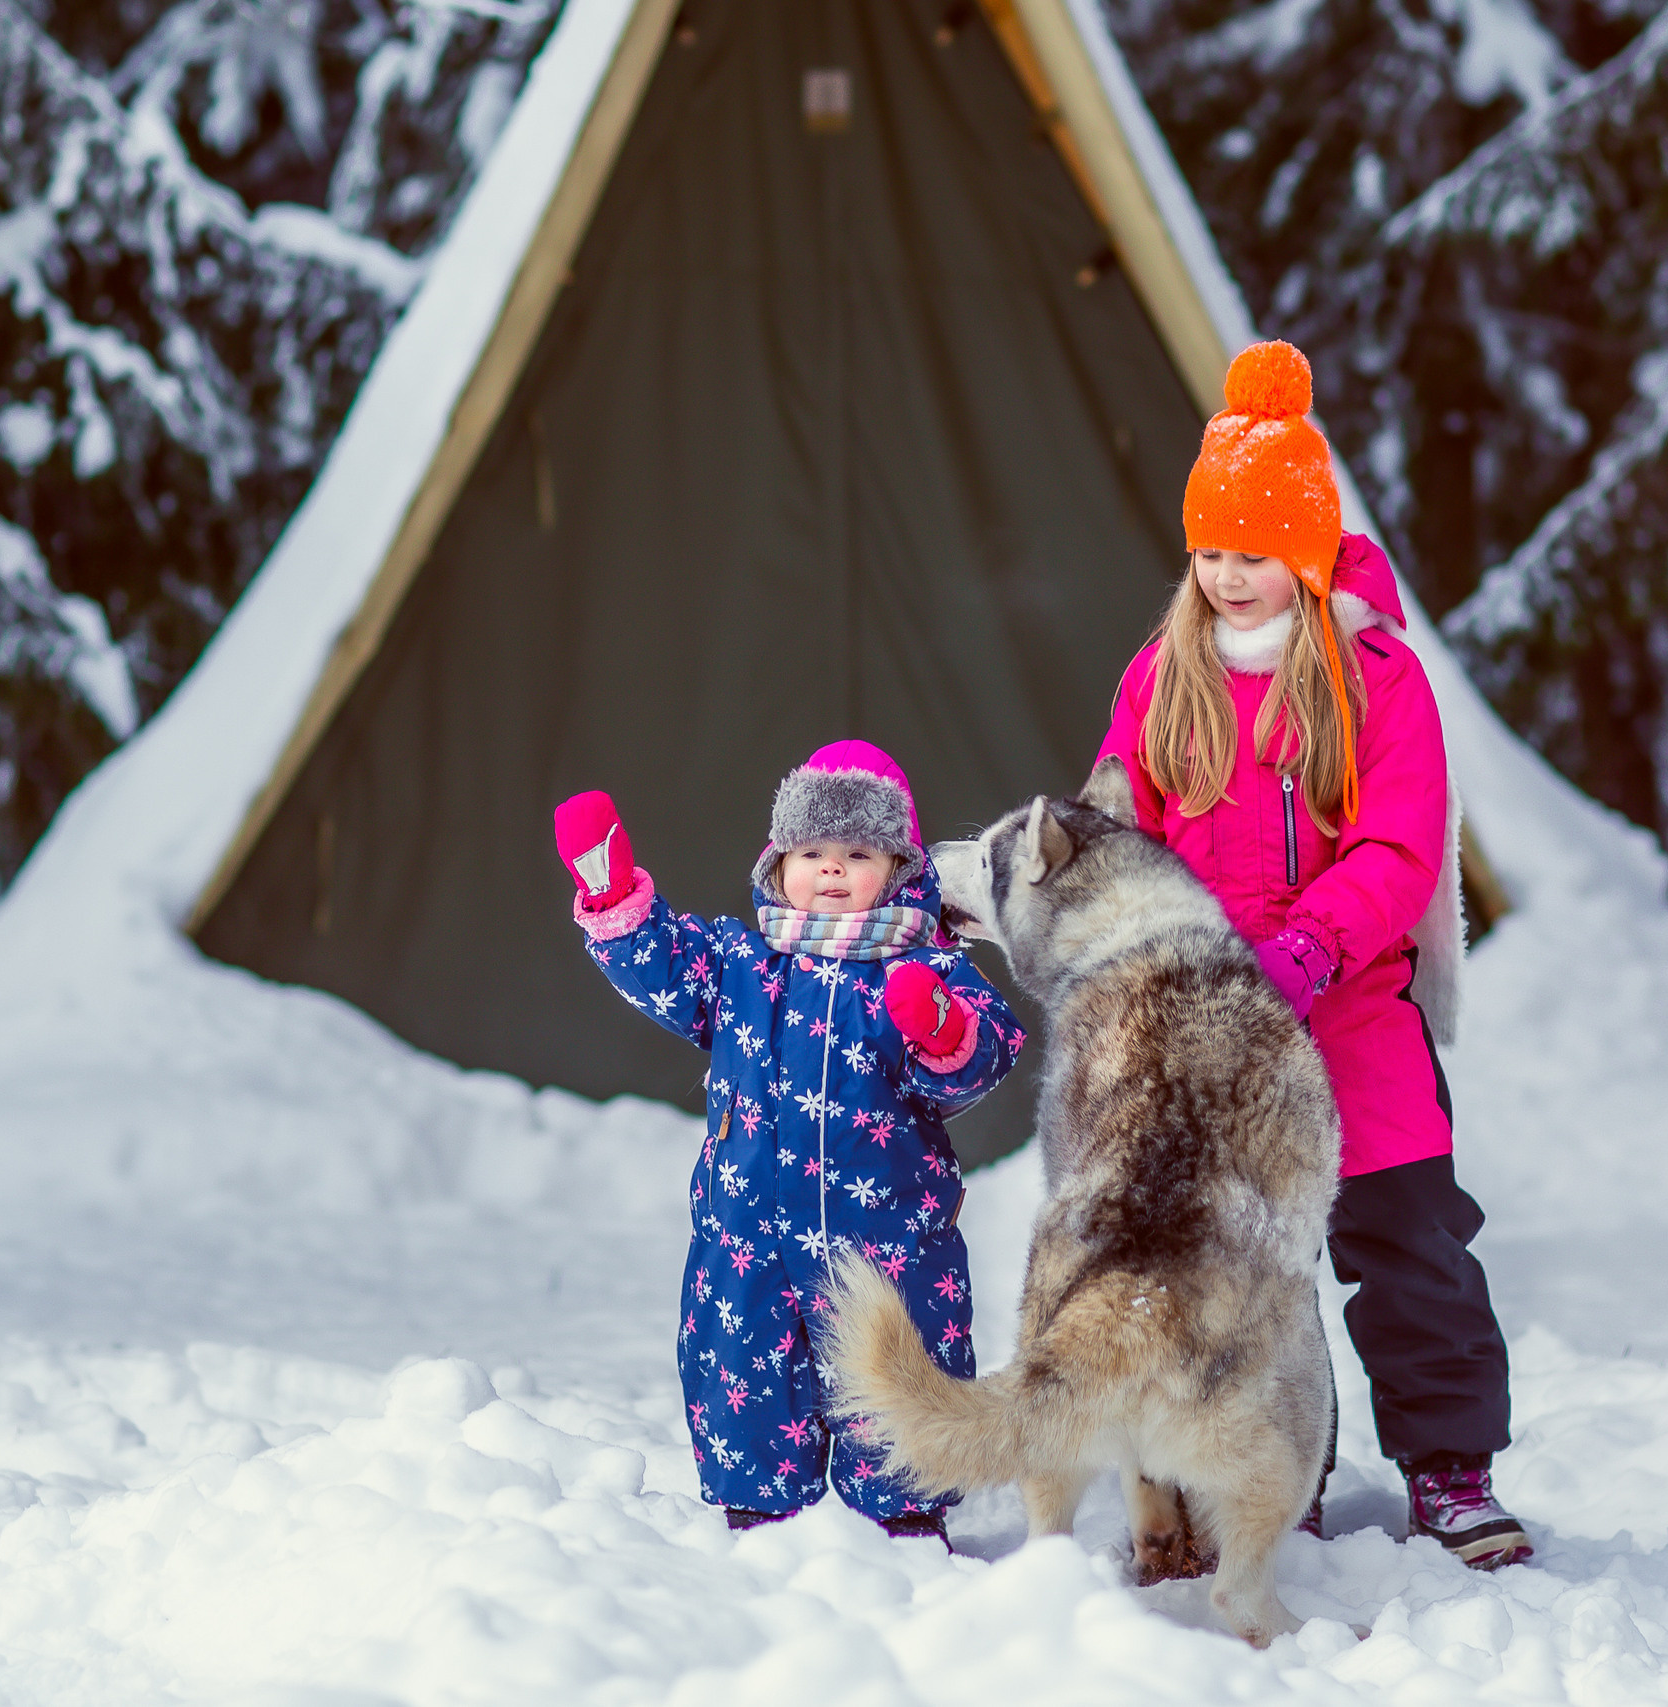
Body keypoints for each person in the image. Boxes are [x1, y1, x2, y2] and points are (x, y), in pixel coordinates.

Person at [1091, 339, 1532, 1570]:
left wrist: (1305, 949)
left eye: (1255, 555)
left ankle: (1450, 1470)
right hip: (1214, 1027)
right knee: (1233, 1267)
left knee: (1409, 1248)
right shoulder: (1158, 678)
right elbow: (1126, 837)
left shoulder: (1377, 675)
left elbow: (1398, 845)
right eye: (1211, 553)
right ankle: (1280, 1470)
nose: (1229, 579)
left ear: (1306, 550)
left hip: (1350, 1009)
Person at [552, 739, 1024, 1540]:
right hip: (750, 1238)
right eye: (811, 851)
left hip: (886, 1240)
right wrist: (613, 897)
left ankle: (904, 1523)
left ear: (901, 867)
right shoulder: (744, 962)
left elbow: (983, 1053)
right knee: (745, 1369)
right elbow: (665, 962)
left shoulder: (921, 967)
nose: (832, 869)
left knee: (895, 1371)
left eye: (857, 852)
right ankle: (758, 1515)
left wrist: (941, 1029)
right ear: (779, 864)